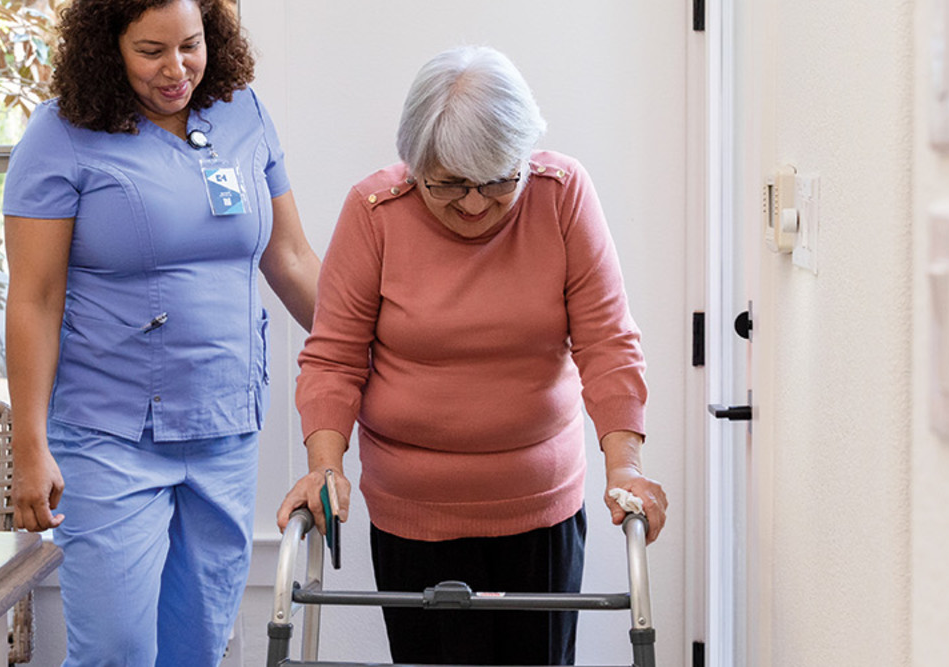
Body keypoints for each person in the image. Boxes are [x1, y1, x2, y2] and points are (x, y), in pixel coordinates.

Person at [277, 45, 667, 666]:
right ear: (414, 165)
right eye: (449, 185)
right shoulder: (374, 213)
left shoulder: (560, 195)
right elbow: (333, 357)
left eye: (495, 181)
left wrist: (624, 467)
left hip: (539, 506)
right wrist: (326, 465)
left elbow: (607, 341)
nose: (475, 205)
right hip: (413, 512)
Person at [0, 0, 319, 664]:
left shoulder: (242, 112)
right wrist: (29, 445)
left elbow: (290, 259)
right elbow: (34, 297)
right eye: (152, 52)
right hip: (108, 434)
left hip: (225, 425)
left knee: (198, 645)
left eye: (191, 46)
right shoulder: (60, 134)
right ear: (107, 46)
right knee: (115, 649)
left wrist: (378, 354)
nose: (177, 69)